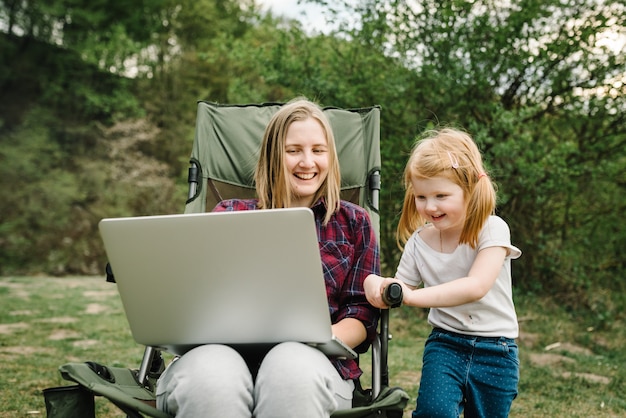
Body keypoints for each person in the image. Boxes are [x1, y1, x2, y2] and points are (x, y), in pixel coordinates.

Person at [156, 98, 380, 417]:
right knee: (212, 379)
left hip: (314, 361)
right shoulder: (228, 215)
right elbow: (196, 299)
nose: (307, 162)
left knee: (290, 369)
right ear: (273, 156)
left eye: (318, 150)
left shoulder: (354, 223)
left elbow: (361, 317)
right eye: (293, 150)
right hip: (219, 352)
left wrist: (317, 335)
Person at [365, 128, 521, 418]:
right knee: (434, 412)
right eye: (421, 196)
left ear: (470, 190)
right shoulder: (419, 242)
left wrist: (413, 297)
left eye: (441, 195)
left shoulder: (492, 229)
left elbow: (476, 286)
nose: (430, 206)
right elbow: (400, 287)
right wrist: (377, 283)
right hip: (446, 344)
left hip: (496, 351)